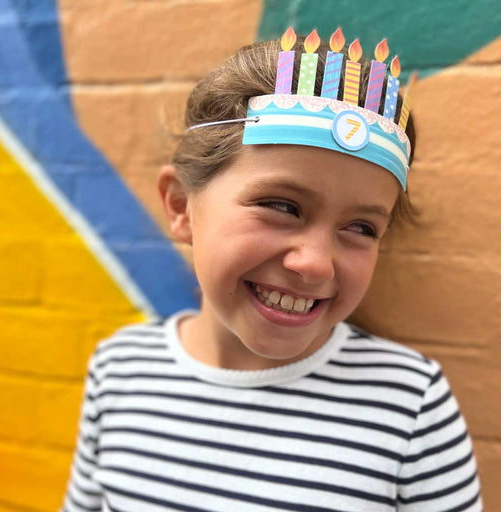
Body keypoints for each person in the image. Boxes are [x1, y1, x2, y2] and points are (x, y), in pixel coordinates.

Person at [61, 29, 482, 511]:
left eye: (362, 228)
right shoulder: (119, 370)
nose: (315, 263)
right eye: (282, 205)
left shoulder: (410, 406)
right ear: (181, 206)